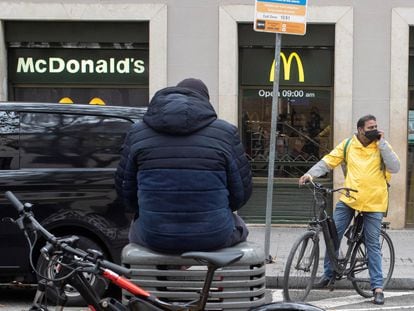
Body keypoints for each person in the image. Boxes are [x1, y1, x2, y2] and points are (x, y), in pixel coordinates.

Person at [115, 78, 252, 254]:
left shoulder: (137, 132)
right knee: (240, 227)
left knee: (138, 227)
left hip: (154, 235)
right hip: (214, 234)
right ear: (205, 101)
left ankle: (161, 280)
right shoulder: (225, 133)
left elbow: (126, 193)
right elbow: (240, 194)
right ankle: (217, 281)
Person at [298, 114, 400, 305]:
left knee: (372, 244)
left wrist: (382, 144)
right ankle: (329, 274)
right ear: (360, 129)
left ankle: (377, 288)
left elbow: (395, 167)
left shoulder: (381, 146)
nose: (374, 130)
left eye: (376, 126)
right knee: (333, 233)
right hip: (349, 199)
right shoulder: (348, 145)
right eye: (370, 127)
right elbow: (328, 161)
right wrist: (309, 174)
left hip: (374, 202)